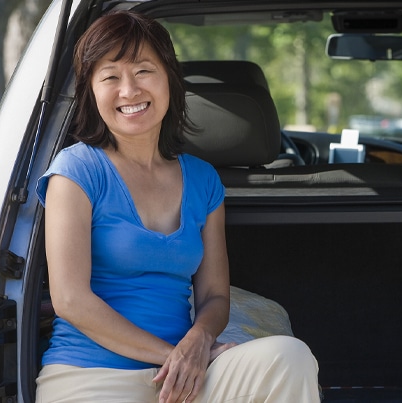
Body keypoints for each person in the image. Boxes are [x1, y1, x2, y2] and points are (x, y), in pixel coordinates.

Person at [34, 10, 320, 403]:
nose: (129, 90)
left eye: (143, 71)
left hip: (188, 378)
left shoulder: (203, 180)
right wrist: (176, 358)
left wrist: (200, 340)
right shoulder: (77, 169)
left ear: (169, 78)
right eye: (110, 76)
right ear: (92, 92)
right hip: (91, 376)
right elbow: (69, 300)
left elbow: (215, 297)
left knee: (289, 356)